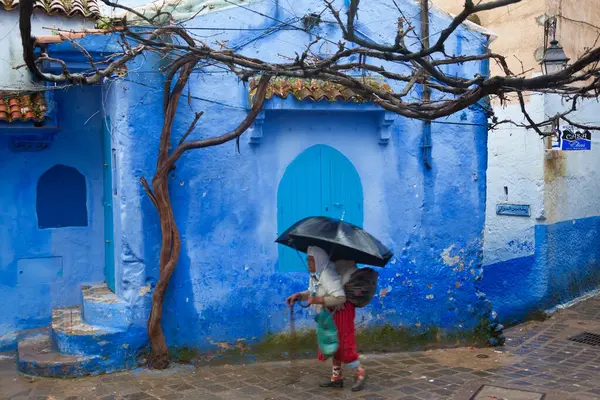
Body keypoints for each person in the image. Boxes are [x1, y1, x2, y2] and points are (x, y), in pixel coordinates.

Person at [286, 246, 367, 391]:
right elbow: (312, 291)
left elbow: (340, 298)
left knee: (344, 345)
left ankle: (360, 372)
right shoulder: (316, 275)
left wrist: (318, 300)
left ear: (319, 260)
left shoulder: (327, 274)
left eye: (311, 260)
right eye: (308, 259)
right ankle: (336, 378)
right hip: (330, 313)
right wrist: (299, 295)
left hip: (342, 311)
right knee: (332, 343)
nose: (309, 263)